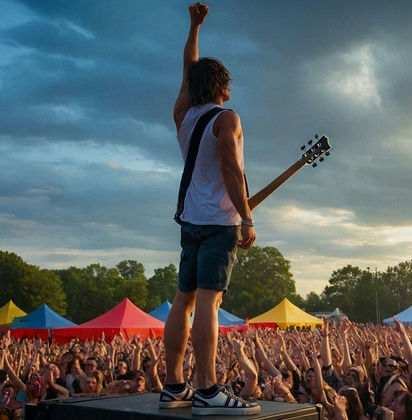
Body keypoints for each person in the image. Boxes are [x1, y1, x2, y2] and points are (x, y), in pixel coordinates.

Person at [160, 2, 258, 416]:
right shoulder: (227, 118)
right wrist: (248, 218)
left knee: (183, 300)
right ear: (222, 84)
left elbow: (187, 66)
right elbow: (233, 171)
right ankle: (208, 390)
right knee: (208, 302)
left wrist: (193, 27)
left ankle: (175, 386)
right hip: (218, 224)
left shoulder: (182, 113)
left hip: (189, 222)